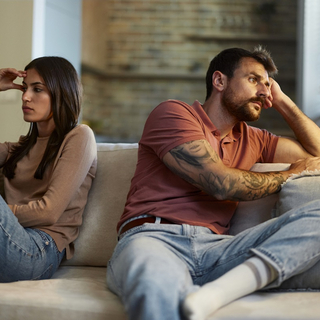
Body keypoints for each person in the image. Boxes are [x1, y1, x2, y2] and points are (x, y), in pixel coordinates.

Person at [106, 47, 320, 320]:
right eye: (254, 80)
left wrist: (282, 101)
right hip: (154, 239)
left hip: (218, 249)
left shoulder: (256, 139)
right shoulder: (174, 113)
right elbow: (220, 183)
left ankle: (217, 293)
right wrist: (290, 174)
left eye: (268, 85)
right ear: (219, 81)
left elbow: (318, 153)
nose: (264, 91)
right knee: (155, 285)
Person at [0, 57, 97, 282]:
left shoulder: (79, 137)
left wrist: (4, 213)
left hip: (37, 250)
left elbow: (48, 212)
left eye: (37, 89)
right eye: (25, 88)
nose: (25, 96)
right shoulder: (19, 148)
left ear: (61, 92)